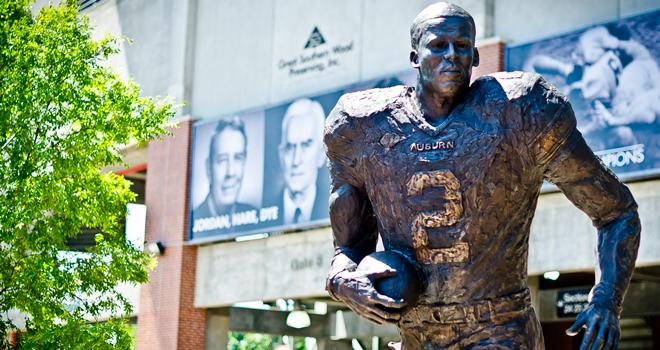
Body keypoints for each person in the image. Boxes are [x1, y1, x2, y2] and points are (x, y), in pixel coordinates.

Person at [324, 3, 640, 350]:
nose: (451, 56)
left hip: (500, 331)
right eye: (437, 46)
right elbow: (349, 248)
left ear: (475, 56)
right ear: (414, 57)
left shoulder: (521, 111)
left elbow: (616, 211)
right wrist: (342, 280)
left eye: (461, 47)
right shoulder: (362, 128)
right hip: (419, 337)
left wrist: (607, 299)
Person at [191, 116, 258, 238]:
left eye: (238, 158)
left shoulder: (255, 218)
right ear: (209, 167)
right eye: (222, 160)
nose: (230, 172)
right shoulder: (193, 221)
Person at [274, 98, 329, 225]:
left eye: (306, 146)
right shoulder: (265, 212)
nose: (296, 160)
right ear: (281, 156)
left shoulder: (337, 207)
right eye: (290, 147)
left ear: (322, 154)